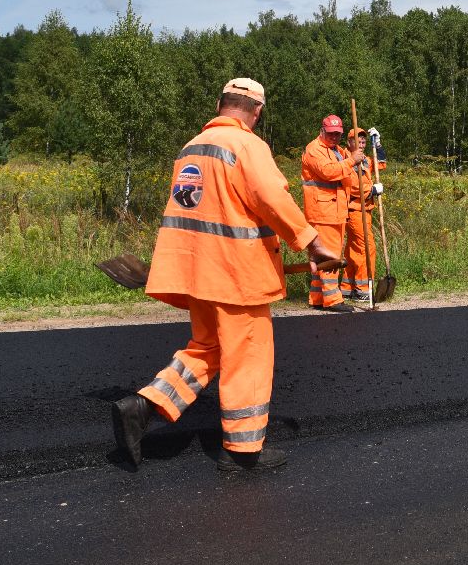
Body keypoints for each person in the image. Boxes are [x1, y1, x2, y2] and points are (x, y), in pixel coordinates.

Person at [110, 77, 340, 474]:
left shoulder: (191, 149)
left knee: (208, 349)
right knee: (249, 356)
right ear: (257, 111)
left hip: (195, 272)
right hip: (237, 275)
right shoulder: (247, 146)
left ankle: (143, 406)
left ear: (220, 105)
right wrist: (313, 243)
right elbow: (271, 199)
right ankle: (242, 450)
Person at [301, 114, 366, 311]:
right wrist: (351, 161)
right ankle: (333, 300)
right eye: (331, 134)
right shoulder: (314, 150)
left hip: (335, 210)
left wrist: (356, 158)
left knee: (322, 258)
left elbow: (349, 174)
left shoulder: (337, 150)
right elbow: (328, 172)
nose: (334, 137)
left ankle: (318, 297)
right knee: (330, 256)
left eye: (338, 134)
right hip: (323, 212)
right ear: (322, 131)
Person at [343, 126, 386, 302]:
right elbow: (353, 186)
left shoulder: (365, 160)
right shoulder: (347, 159)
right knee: (366, 248)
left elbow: (380, 164)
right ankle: (362, 289)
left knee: (354, 249)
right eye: (357, 141)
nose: (361, 144)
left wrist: (378, 145)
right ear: (349, 142)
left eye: (363, 141)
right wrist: (372, 190)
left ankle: (347, 287)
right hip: (354, 210)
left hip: (365, 210)